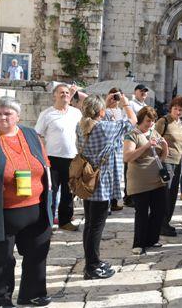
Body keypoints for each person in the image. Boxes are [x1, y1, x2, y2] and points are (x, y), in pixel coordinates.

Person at [0, 97, 53, 307]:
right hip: (4, 211)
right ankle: (1, 298)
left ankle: (33, 293)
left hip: (36, 207)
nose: (2, 117)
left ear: (17, 117)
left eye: (7, 113)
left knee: (37, 253)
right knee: (1, 258)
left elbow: (44, 161)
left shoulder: (29, 134)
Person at [77, 93, 137, 280]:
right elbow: (132, 120)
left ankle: (92, 261)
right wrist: (126, 103)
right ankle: (92, 266)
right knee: (96, 226)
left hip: (87, 179)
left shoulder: (81, 126)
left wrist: (107, 106)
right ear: (101, 111)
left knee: (89, 224)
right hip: (101, 182)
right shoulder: (104, 128)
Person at [35, 84, 81, 232]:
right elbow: (37, 135)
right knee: (51, 192)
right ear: (54, 95)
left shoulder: (76, 113)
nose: (65, 95)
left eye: (67, 92)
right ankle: (47, 222)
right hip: (52, 158)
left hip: (71, 158)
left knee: (69, 192)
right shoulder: (47, 114)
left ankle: (65, 221)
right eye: (61, 92)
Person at [123, 106, 169, 255]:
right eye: (148, 120)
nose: (150, 124)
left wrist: (165, 147)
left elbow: (161, 156)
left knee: (159, 210)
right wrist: (147, 146)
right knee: (141, 212)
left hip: (157, 179)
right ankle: (139, 243)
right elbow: (127, 157)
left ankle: (152, 239)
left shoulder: (153, 132)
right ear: (141, 119)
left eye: (153, 121)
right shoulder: (132, 135)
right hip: (139, 181)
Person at [155, 96, 182, 237]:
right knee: (165, 194)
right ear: (171, 109)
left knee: (173, 194)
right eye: (175, 109)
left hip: (178, 162)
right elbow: (154, 139)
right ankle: (160, 224)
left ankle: (166, 222)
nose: (178, 112)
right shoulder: (164, 121)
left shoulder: (181, 124)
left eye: (181, 110)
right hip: (165, 161)